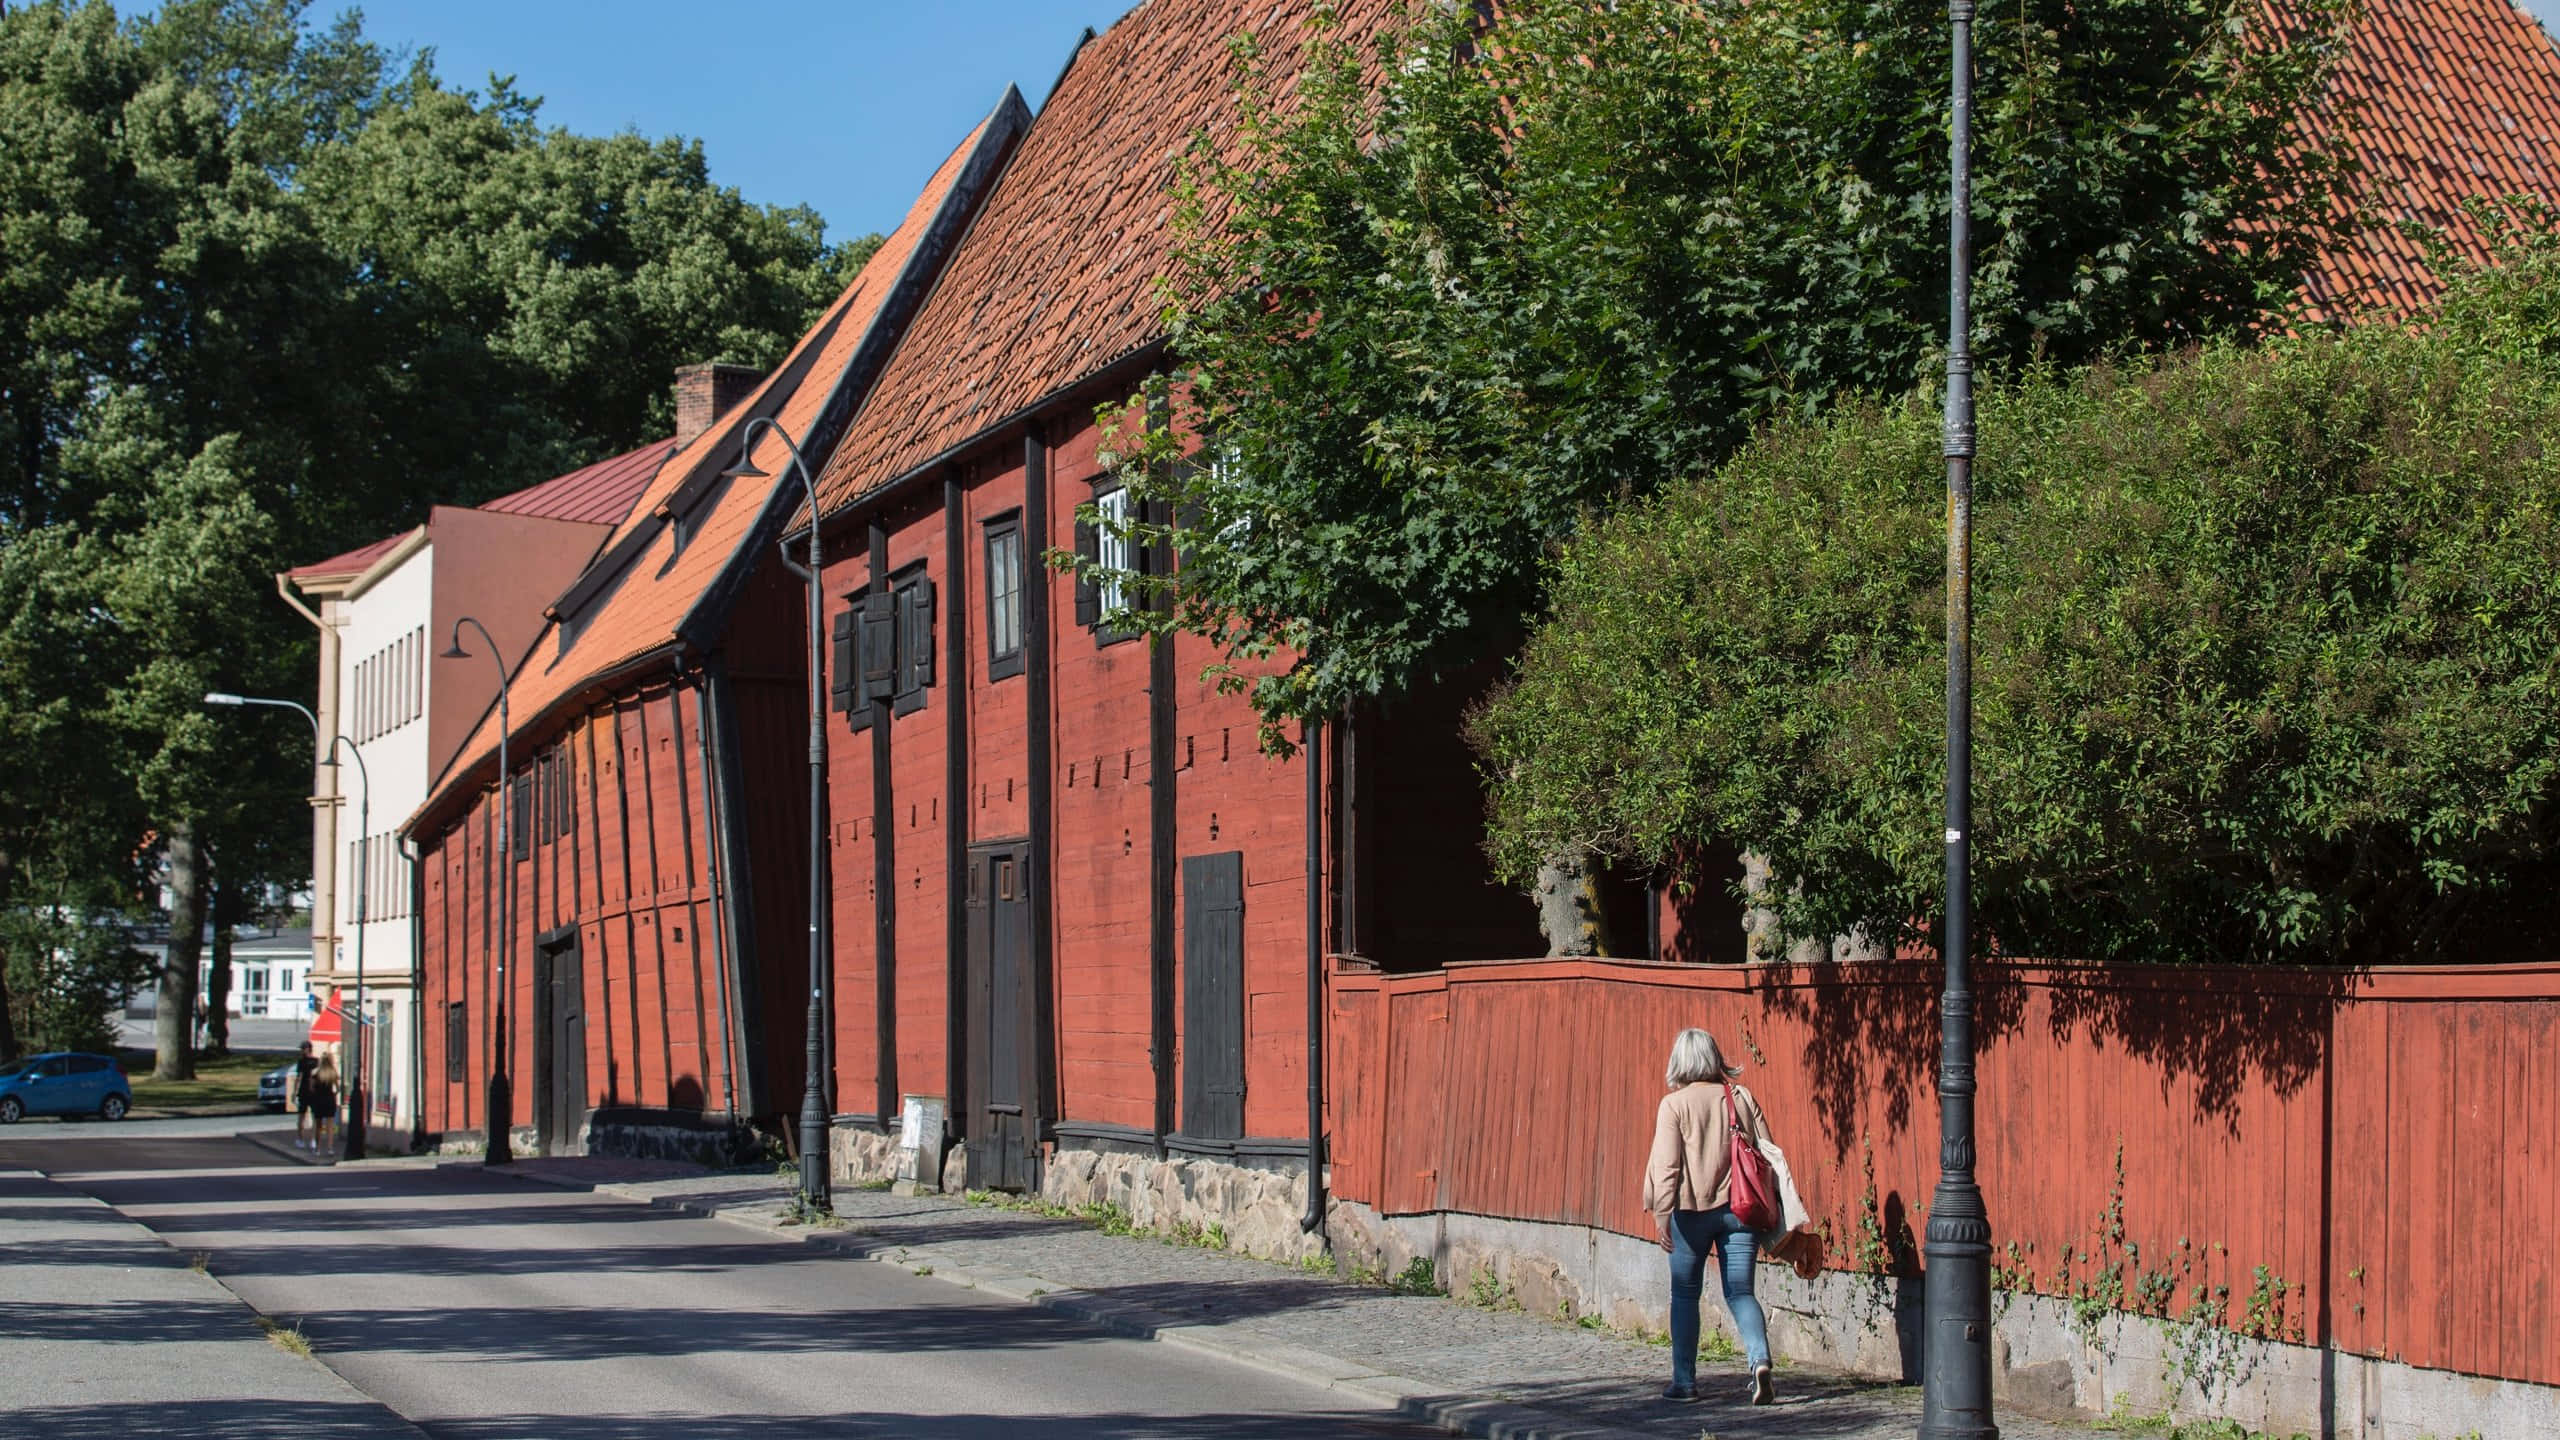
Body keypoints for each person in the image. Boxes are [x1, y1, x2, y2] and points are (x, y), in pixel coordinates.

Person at [1643, 1027, 1776, 1406]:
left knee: (1684, 1294)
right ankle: (1759, 1361)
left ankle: (1684, 1383)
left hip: (1690, 1214)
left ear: (1679, 1061)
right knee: (1741, 1291)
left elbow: (1668, 1166)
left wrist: (1661, 1213)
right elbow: (1768, 1153)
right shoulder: (1740, 1097)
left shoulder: (1675, 1105)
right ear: (1713, 1057)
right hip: (1741, 1211)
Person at [308, 1053, 341, 1156]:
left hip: (318, 1100)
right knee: (330, 1125)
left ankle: (317, 1149)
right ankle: (330, 1148)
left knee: (318, 1126)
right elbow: (338, 1088)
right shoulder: (332, 1073)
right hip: (329, 1099)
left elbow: (311, 1088)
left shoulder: (315, 1073)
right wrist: (334, 1094)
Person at [292, 1041, 318, 1150]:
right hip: (313, 1092)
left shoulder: (302, 1062)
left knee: (302, 1117)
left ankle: (301, 1139)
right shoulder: (317, 1061)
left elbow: (299, 1078)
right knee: (313, 1117)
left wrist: (294, 1092)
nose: (302, 1051)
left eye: (303, 1049)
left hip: (304, 1091)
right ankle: (312, 1140)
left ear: (308, 1049)